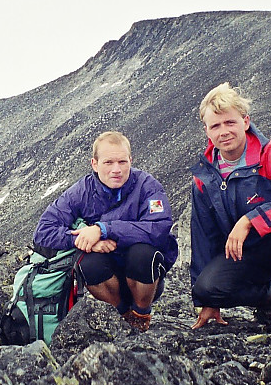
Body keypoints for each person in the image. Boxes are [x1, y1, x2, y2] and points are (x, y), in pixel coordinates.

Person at [190, 82, 271, 336]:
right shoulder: (204, 177)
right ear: (207, 131)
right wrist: (207, 301)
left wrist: (251, 219)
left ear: (245, 121)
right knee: (205, 288)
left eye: (230, 122)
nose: (224, 131)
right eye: (215, 126)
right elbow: (203, 238)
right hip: (244, 254)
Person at [32, 131, 179, 331]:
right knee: (88, 261)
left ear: (130, 160)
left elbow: (159, 228)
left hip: (145, 278)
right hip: (107, 278)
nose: (116, 170)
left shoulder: (147, 186)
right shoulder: (81, 191)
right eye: (108, 162)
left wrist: (104, 229)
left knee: (143, 254)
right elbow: (43, 231)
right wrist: (83, 239)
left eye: (122, 162)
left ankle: (141, 315)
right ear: (95, 164)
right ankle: (121, 315)